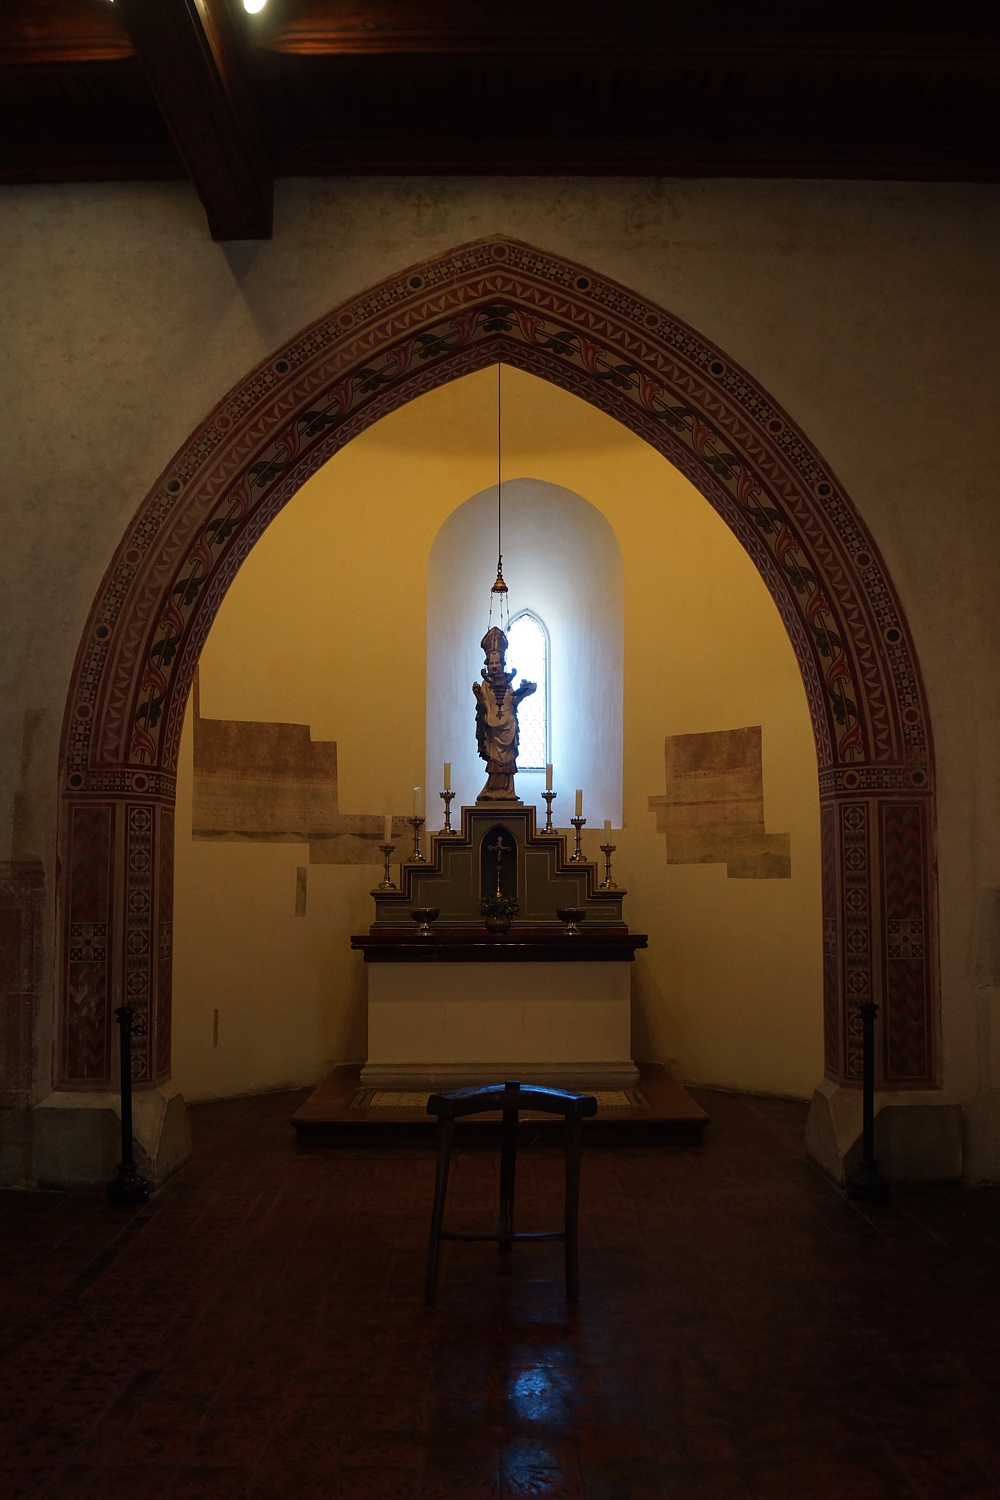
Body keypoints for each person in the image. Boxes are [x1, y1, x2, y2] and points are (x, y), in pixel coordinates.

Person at [473, 626, 536, 801]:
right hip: (493, 730)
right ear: (487, 665)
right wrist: (479, 697)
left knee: (507, 764)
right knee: (494, 764)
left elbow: (512, 702)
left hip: (508, 727)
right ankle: (492, 790)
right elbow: (483, 707)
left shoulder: (508, 683)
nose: (494, 667)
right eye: (491, 663)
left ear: (502, 664)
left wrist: (526, 691)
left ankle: (508, 791)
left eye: (497, 663)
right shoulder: (485, 685)